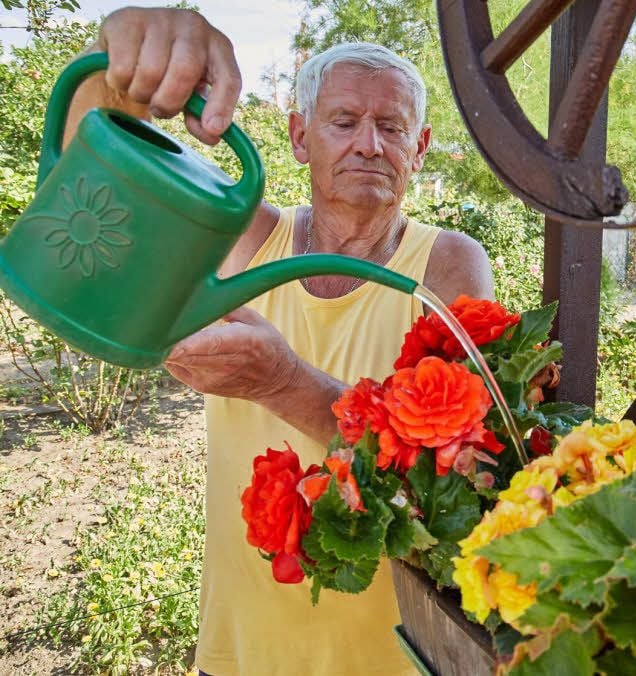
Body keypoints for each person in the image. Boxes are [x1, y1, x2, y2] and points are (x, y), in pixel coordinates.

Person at [66, 7, 494, 675]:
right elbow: (91, 208)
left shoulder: (447, 265)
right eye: (343, 122)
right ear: (299, 136)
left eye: (391, 127)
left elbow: (462, 480)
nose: (369, 145)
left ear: (420, 148)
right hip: (242, 649)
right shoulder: (249, 239)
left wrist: (283, 384)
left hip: (388, 657)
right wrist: (119, 72)